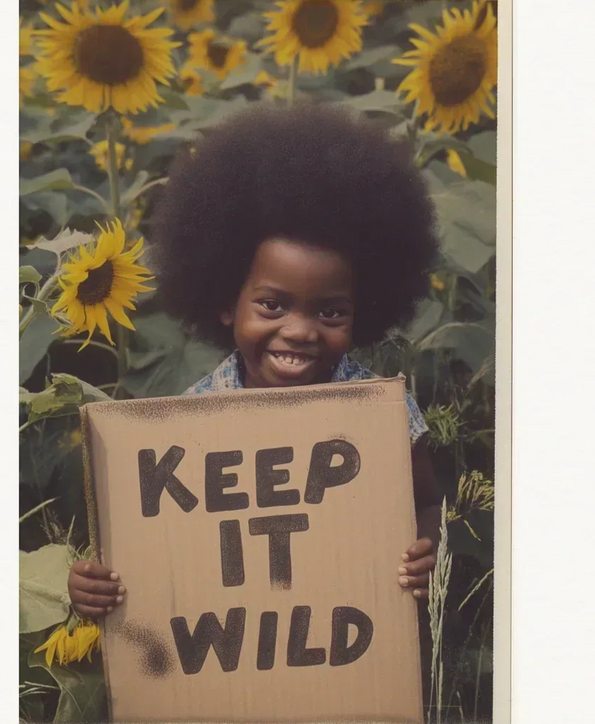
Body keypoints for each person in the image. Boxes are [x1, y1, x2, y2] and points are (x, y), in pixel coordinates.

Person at [68, 101, 443, 620]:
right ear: (226, 300)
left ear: (365, 311)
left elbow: (426, 501)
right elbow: (149, 548)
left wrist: (427, 549)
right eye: (273, 304)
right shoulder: (187, 423)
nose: (299, 331)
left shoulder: (385, 416)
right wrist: (95, 585)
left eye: (331, 312)